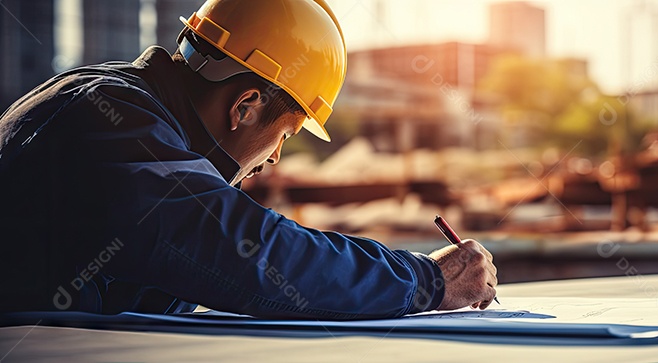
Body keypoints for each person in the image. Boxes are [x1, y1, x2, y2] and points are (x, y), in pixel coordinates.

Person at [0, 0, 497, 319]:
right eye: (285, 135)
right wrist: (427, 280)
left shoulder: (122, 108)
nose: (275, 159)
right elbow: (253, 253)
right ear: (245, 106)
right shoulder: (108, 123)